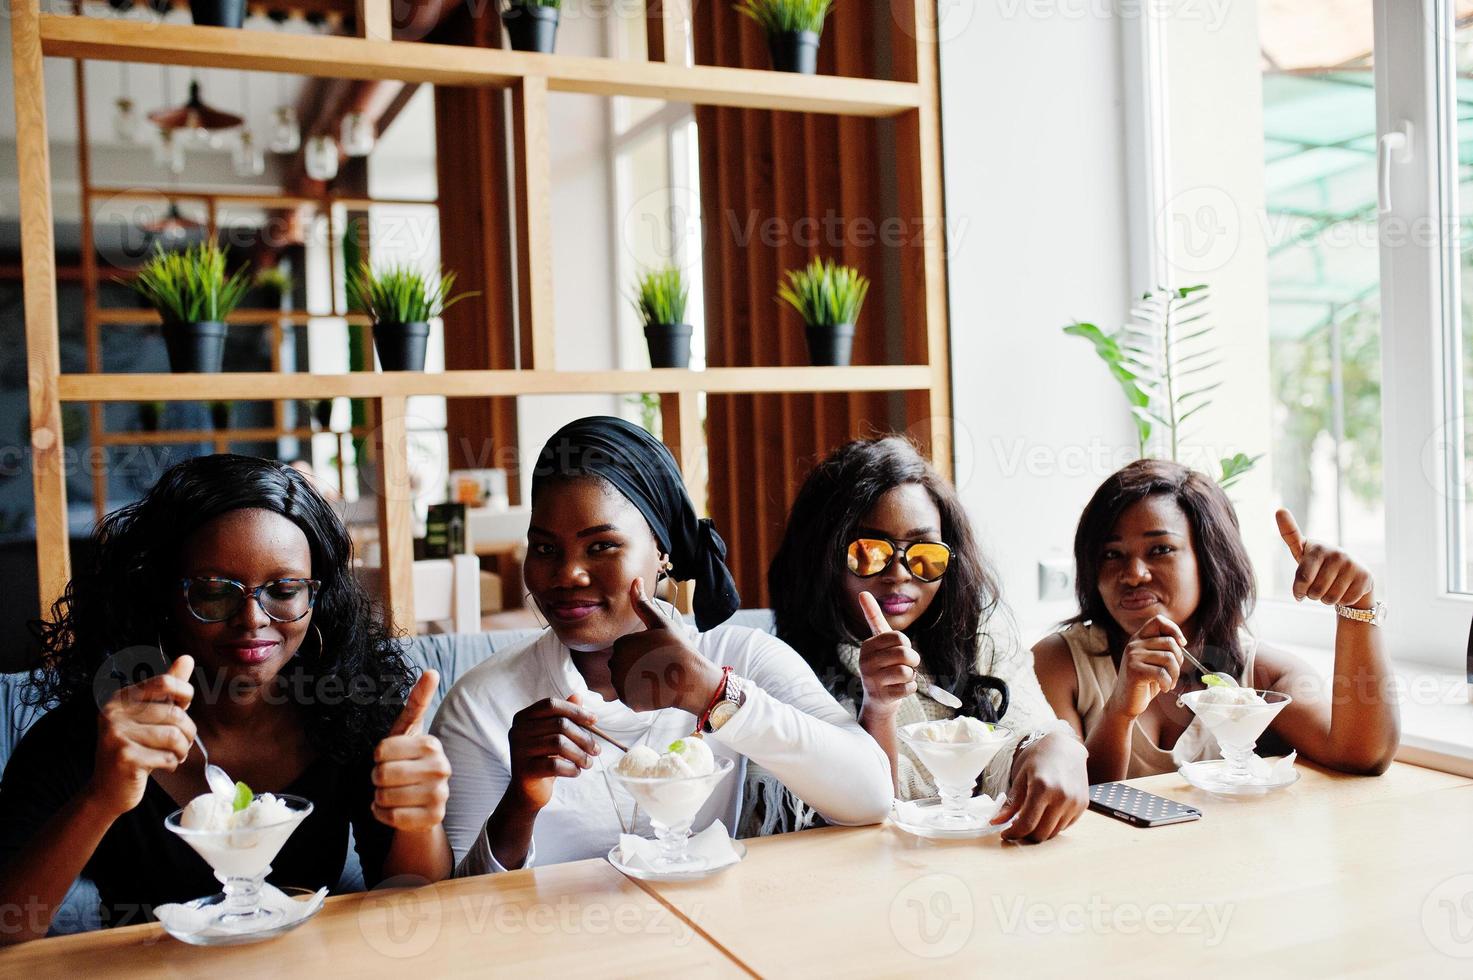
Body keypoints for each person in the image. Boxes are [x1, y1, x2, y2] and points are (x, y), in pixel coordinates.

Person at [0, 455, 452, 943]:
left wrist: (420, 822)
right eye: (215, 591)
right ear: (161, 599)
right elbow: (9, 929)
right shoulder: (91, 736)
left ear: (316, 598)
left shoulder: (354, 713)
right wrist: (101, 798)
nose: (252, 618)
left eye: (284, 589)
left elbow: (414, 903)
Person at [434, 417, 892, 874]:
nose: (568, 575)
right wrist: (521, 801)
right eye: (546, 549)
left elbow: (871, 797)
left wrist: (713, 695)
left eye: (601, 547)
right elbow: (455, 904)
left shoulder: (741, 658)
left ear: (661, 553)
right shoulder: (482, 703)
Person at [768, 436, 1087, 843]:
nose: (899, 573)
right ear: (822, 556)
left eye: (924, 553)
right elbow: (861, 812)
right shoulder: (783, 671)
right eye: (868, 551)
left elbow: (1030, 731)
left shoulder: (981, 639)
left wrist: (1057, 746)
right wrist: (878, 708)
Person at [1032, 459, 1400, 783]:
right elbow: (1068, 793)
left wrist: (1357, 604)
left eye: (1160, 549)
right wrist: (1120, 710)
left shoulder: (1262, 675)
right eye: (1111, 554)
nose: (1134, 574)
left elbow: (1361, 757)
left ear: (1210, 559)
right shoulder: (1058, 664)